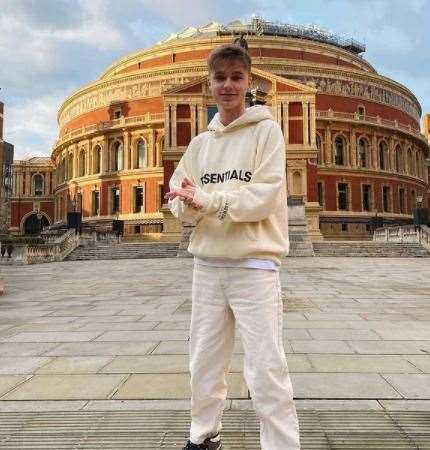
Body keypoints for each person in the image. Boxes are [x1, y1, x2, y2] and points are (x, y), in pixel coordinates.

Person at [165, 43, 301, 450]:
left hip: (254, 265)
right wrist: (183, 202)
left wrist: (205, 199)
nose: (227, 85)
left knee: (265, 366)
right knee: (204, 362)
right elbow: (177, 197)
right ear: (210, 85)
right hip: (206, 265)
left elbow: (263, 197)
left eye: (235, 77)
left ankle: (280, 445)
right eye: (220, 78)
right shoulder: (200, 145)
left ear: (249, 83)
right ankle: (203, 436)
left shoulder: (267, 132)